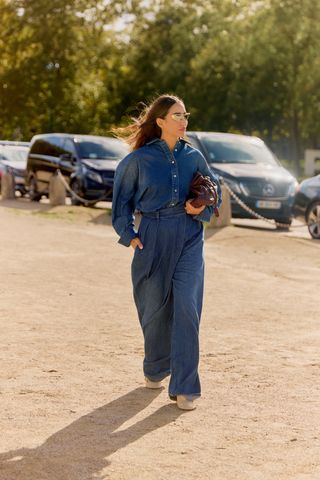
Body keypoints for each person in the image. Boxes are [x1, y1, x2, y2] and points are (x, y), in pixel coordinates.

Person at [112, 94, 222, 410]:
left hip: (189, 235)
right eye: (176, 115)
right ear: (160, 121)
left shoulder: (194, 157)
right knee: (154, 309)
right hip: (153, 235)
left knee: (187, 307)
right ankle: (156, 366)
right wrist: (129, 234)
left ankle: (186, 387)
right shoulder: (138, 161)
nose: (183, 120)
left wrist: (199, 206)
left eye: (185, 114)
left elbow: (214, 196)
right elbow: (121, 201)